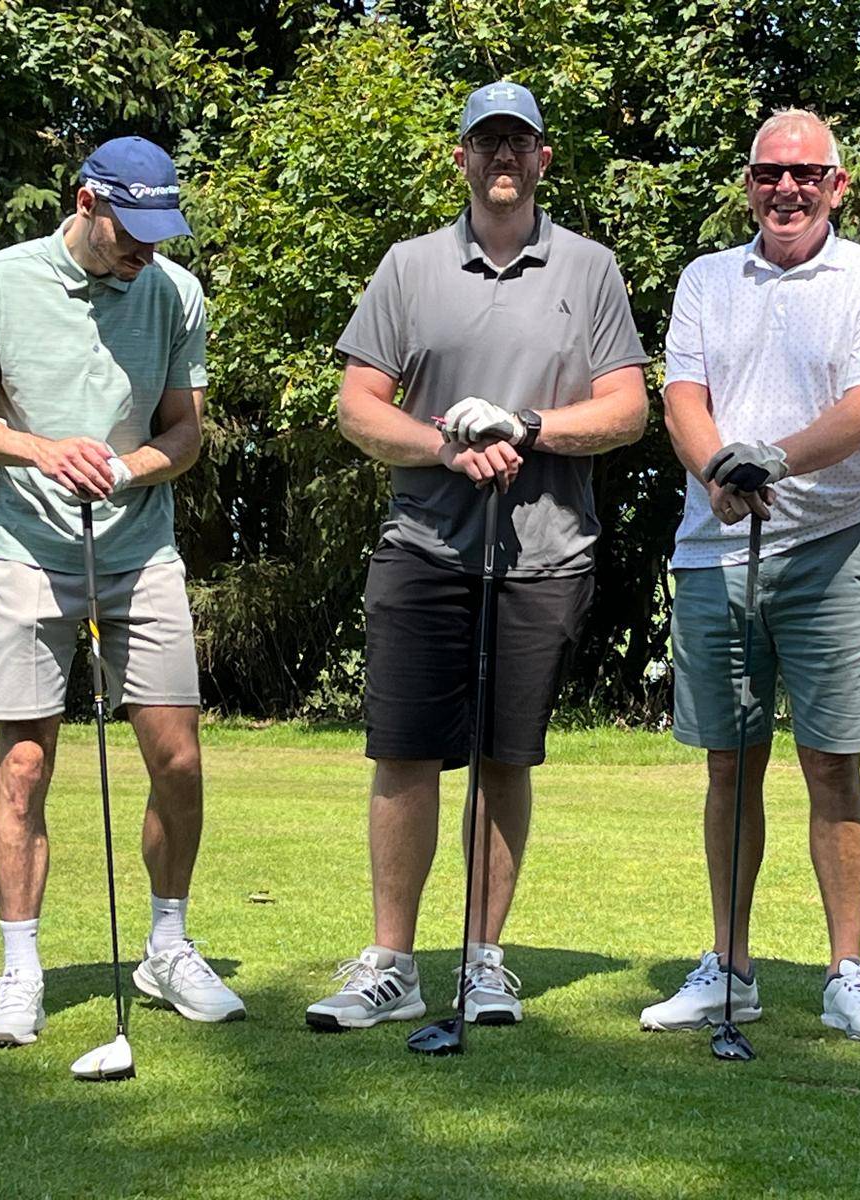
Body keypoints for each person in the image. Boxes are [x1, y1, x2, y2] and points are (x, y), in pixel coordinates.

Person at [307, 82, 649, 1032]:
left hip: (544, 554)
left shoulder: (589, 268)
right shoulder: (409, 266)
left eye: (519, 142)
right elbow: (357, 406)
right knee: (404, 753)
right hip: (425, 545)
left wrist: (527, 425)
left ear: (543, 158)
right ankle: (392, 964)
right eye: (487, 141)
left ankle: (482, 960)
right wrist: (444, 445)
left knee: (504, 758)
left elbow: (628, 409)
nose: (504, 156)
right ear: (460, 157)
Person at [0, 136, 245, 1049]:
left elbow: (184, 433)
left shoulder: (176, 293)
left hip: (139, 549)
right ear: (86, 202)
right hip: (26, 550)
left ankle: (167, 947)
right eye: (131, 229)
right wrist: (42, 450)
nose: (147, 248)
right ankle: (20, 972)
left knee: (178, 757)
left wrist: (129, 466)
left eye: (161, 230)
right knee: (25, 764)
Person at [641, 109, 860, 1043]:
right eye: (768, 173)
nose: (786, 189)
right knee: (731, 764)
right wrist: (718, 473)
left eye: (805, 174)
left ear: (838, 185)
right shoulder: (707, 278)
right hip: (714, 552)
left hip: (829, 548)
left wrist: (772, 462)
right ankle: (730, 968)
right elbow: (682, 397)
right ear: (749, 183)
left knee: (832, 763)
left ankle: (847, 973)